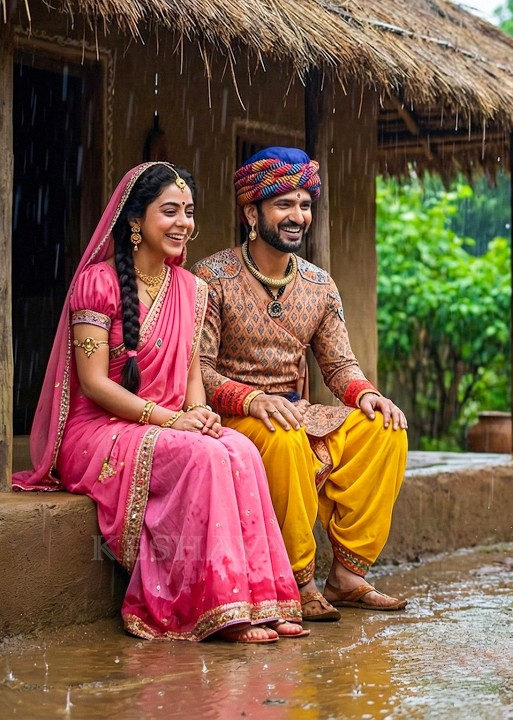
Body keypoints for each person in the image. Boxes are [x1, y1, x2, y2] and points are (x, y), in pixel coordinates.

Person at [13, 162, 304, 643]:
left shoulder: (192, 289)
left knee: (242, 452)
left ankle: (259, 599)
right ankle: (210, 606)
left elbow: (191, 372)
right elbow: (93, 385)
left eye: (188, 212)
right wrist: (171, 420)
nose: (183, 223)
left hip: (167, 423)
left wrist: (197, 413)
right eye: (169, 211)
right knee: (207, 457)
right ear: (135, 221)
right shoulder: (97, 284)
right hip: (99, 430)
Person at [192, 147, 409, 622]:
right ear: (252, 211)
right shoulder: (210, 278)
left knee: (386, 430)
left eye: (305, 204)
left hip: (296, 411)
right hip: (233, 417)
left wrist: (367, 394)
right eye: (284, 204)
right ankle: (299, 581)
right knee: (285, 437)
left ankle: (348, 577)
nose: (298, 216)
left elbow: (339, 366)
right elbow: (198, 370)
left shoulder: (320, 284)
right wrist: (251, 399)